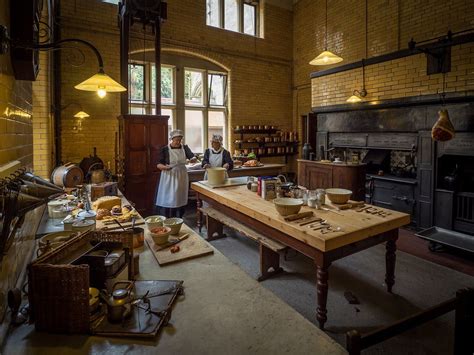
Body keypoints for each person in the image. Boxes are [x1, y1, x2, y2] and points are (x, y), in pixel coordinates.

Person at [156, 129, 196, 218]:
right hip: (169, 175)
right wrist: (165, 167)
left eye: (180, 140)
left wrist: (193, 159)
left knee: (179, 196)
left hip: (181, 174)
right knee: (169, 196)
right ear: (172, 139)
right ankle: (167, 217)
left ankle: (179, 217)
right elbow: (158, 164)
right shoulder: (165, 149)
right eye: (176, 140)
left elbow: (192, 157)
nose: (178, 142)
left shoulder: (185, 148)